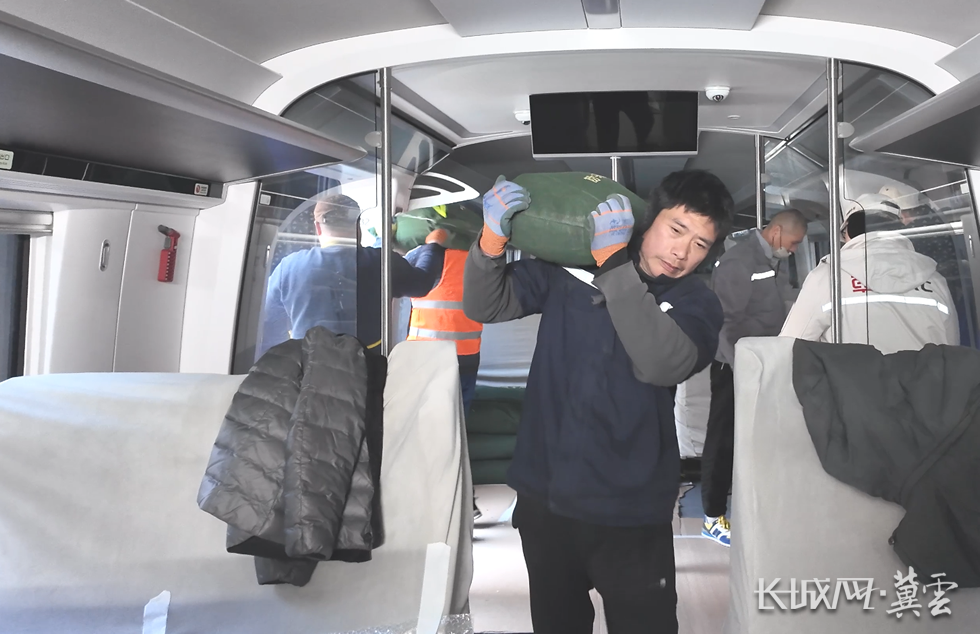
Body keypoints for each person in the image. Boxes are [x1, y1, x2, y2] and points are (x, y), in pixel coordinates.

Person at [463, 170, 734, 634]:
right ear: (649, 219)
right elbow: (485, 305)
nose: (681, 252)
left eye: (700, 244)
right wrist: (489, 243)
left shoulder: (697, 302)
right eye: (676, 229)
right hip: (547, 497)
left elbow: (663, 364)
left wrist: (613, 267)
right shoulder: (571, 269)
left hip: (630, 510)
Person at [700, 209, 808, 547]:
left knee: (759, 439)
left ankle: (758, 508)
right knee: (724, 440)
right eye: (793, 243)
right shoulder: (739, 262)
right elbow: (725, 322)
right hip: (735, 366)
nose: (793, 250)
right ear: (776, 232)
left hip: (765, 362)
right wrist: (741, 368)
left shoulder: (772, 262)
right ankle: (712, 517)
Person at [259, 194, 446, 357]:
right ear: (358, 225)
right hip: (366, 370)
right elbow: (421, 283)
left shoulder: (289, 267)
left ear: (317, 227)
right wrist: (433, 245)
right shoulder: (381, 262)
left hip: (310, 371)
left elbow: (268, 326)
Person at [780, 194, 958, 353]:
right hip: (925, 381)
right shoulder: (934, 279)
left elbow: (790, 346)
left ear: (849, 231)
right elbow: (952, 349)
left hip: (851, 381)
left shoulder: (828, 277)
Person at [405, 231, 486, 519]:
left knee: (427, 433)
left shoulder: (424, 256)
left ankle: (435, 504)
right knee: (455, 431)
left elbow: (397, 278)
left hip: (428, 358)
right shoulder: (479, 260)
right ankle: (461, 500)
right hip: (466, 358)